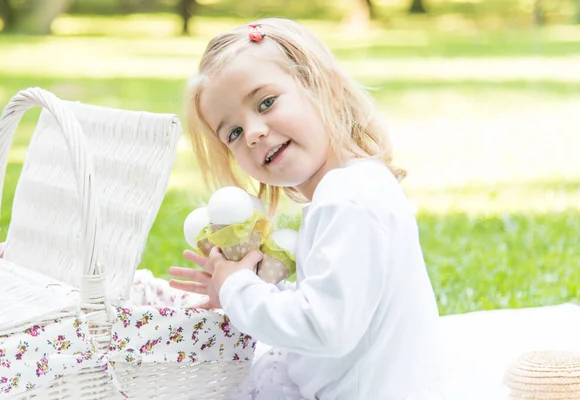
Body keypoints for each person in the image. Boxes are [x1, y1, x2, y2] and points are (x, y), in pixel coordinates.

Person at [168, 18, 443, 400]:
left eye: (266, 102)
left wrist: (238, 288)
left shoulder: (349, 197)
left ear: (322, 87)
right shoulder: (347, 188)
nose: (253, 132)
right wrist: (262, 285)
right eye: (232, 132)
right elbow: (336, 302)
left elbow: (325, 328)